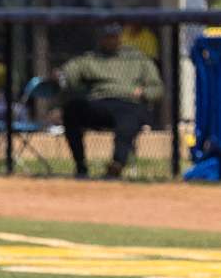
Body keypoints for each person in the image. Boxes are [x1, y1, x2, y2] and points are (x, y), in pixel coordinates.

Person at [58, 23, 163, 179]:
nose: (110, 40)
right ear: (101, 37)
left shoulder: (137, 59)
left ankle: (117, 165)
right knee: (72, 108)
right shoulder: (92, 58)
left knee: (128, 117)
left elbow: (158, 90)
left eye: (114, 36)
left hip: (129, 103)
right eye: (106, 36)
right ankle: (80, 167)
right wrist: (61, 75)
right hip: (100, 103)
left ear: (121, 37)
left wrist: (143, 93)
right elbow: (69, 71)